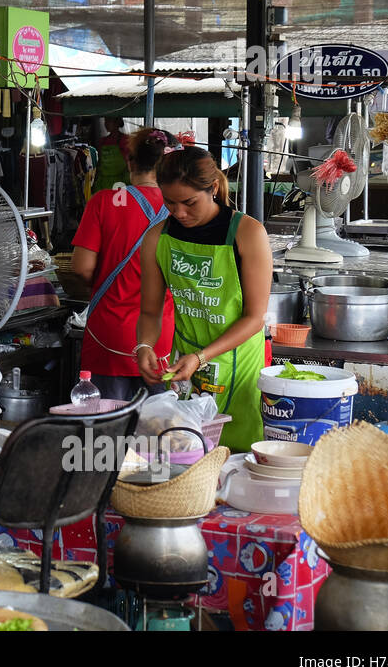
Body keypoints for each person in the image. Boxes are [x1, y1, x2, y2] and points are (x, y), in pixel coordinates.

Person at [135, 146, 273, 452]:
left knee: (235, 455)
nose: (179, 213)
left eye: (189, 202)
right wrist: (144, 345)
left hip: (238, 365)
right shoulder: (157, 237)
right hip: (185, 368)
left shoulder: (247, 233)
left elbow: (255, 317)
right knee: (187, 452)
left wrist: (202, 356)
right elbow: (149, 311)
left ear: (212, 189)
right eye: (170, 204)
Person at [70, 128, 177, 400]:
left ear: (130, 162)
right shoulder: (182, 209)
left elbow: (81, 267)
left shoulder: (104, 202)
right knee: (157, 430)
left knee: (107, 430)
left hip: (108, 335)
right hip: (159, 340)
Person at [91, 116, 131, 194]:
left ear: (117, 123)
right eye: (105, 121)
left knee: (119, 204)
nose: (105, 124)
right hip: (103, 182)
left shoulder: (126, 140)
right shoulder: (102, 141)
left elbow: (130, 161)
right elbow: (99, 163)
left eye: (108, 121)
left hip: (120, 182)